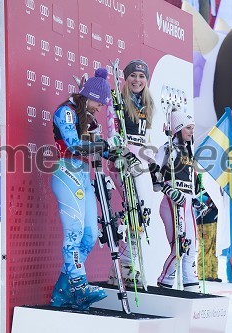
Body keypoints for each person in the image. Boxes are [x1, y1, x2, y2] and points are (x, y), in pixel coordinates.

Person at [50, 68, 116, 310]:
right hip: (66, 172)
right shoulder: (65, 111)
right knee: (74, 234)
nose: (100, 108)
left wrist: (117, 153)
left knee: (88, 237)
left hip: (83, 176)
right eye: (99, 103)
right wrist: (103, 145)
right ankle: (79, 285)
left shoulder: (89, 118)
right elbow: (75, 145)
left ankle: (63, 292)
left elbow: (100, 149)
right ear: (88, 96)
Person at [105, 59, 160, 288]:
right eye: (133, 76)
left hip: (139, 161)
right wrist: (121, 154)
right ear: (125, 77)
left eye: (142, 76)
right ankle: (127, 265)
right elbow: (111, 131)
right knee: (134, 210)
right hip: (121, 160)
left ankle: (127, 265)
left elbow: (143, 140)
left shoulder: (147, 104)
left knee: (142, 212)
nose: (137, 80)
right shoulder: (116, 98)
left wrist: (153, 162)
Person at [154, 110, 205, 292]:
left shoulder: (190, 151)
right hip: (172, 203)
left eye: (193, 128)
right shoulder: (167, 148)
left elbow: (193, 182)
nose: (192, 132)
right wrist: (169, 190)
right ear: (178, 128)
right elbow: (155, 178)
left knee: (191, 247)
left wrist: (198, 197)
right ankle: (165, 285)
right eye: (188, 128)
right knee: (180, 247)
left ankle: (191, 287)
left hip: (188, 203)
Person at [196, 190, 222, 282]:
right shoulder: (202, 191)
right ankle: (203, 273)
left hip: (215, 221)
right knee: (205, 247)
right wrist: (209, 202)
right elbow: (197, 200)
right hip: (204, 222)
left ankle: (213, 274)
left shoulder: (215, 188)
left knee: (214, 248)